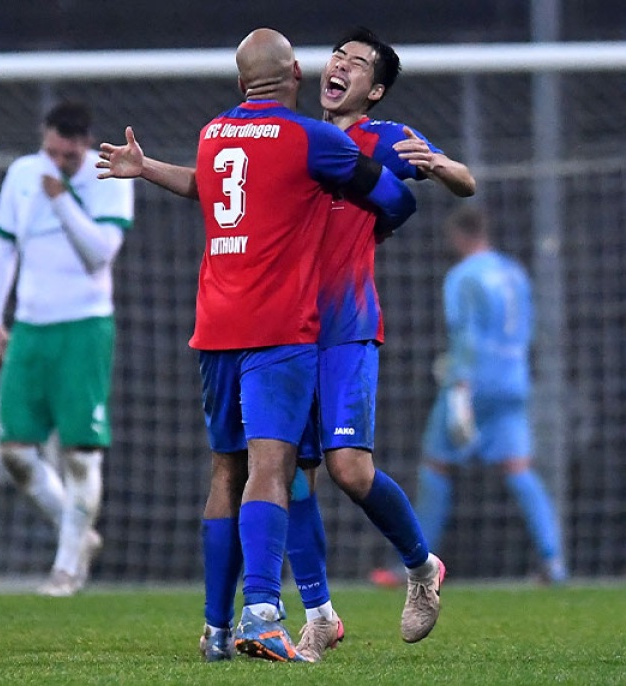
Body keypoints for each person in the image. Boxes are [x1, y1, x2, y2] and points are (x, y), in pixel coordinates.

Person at [97, 28, 416, 662]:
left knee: (225, 471)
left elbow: (209, 188)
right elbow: (392, 195)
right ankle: (264, 615)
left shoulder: (215, 134)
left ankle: (215, 631)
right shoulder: (312, 137)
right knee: (272, 471)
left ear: (242, 81)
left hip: (215, 327)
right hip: (279, 330)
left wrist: (144, 168)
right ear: (295, 71)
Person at [284, 27, 476, 661]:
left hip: (347, 328)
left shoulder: (386, 139)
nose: (339, 67)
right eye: (336, 57)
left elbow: (464, 183)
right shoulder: (297, 138)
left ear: (376, 89)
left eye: (357, 63)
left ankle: (423, 569)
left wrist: (444, 167)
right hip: (285, 329)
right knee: (289, 475)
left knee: (349, 470)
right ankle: (318, 614)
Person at [0, 100, 135, 597]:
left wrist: (62, 199)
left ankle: (66, 567)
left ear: (85, 147)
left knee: (80, 457)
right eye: (51, 152)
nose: (57, 163)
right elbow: (5, 246)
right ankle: (78, 533)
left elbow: (99, 255)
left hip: (84, 328)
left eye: (68, 156)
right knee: (15, 452)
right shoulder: (23, 172)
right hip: (29, 327)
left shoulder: (109, 176)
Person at [371, 206, 568, 584]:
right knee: (519, 469)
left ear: (459, 236)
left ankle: (415, 564)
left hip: (474, 382)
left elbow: (466, 334)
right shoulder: (513, 272)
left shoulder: (462, 277)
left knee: (435, 466)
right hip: (512, 379)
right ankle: (554, 561)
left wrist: (460, 385)